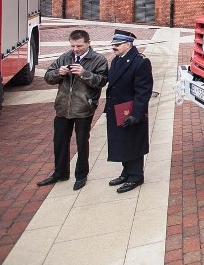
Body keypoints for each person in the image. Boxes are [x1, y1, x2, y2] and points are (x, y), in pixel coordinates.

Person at [37, 29, 108, 190]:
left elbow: (102, 81)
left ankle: (81, 175)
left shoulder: (98, 60)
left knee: (82, 143)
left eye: (79, 46)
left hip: (83, 108)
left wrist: (84, 73)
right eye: (73, 46)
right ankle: (60, 173)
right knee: (60, 142)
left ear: (88, 43)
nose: (76, 49)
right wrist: (58, 73)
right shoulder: (65, 57)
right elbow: (48, 77)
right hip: (63, 107)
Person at [104, 29, 153, 193]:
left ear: (128, 44)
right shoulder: (117, 60)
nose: (114, 48)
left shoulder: (140, 62)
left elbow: (143, 91)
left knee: (133, 143)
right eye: (113, 45)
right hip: (117, 109)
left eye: (117, 45)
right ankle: (126, 172)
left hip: (131, 111)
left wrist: (136, 115)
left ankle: (136, 176)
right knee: (122, 142)